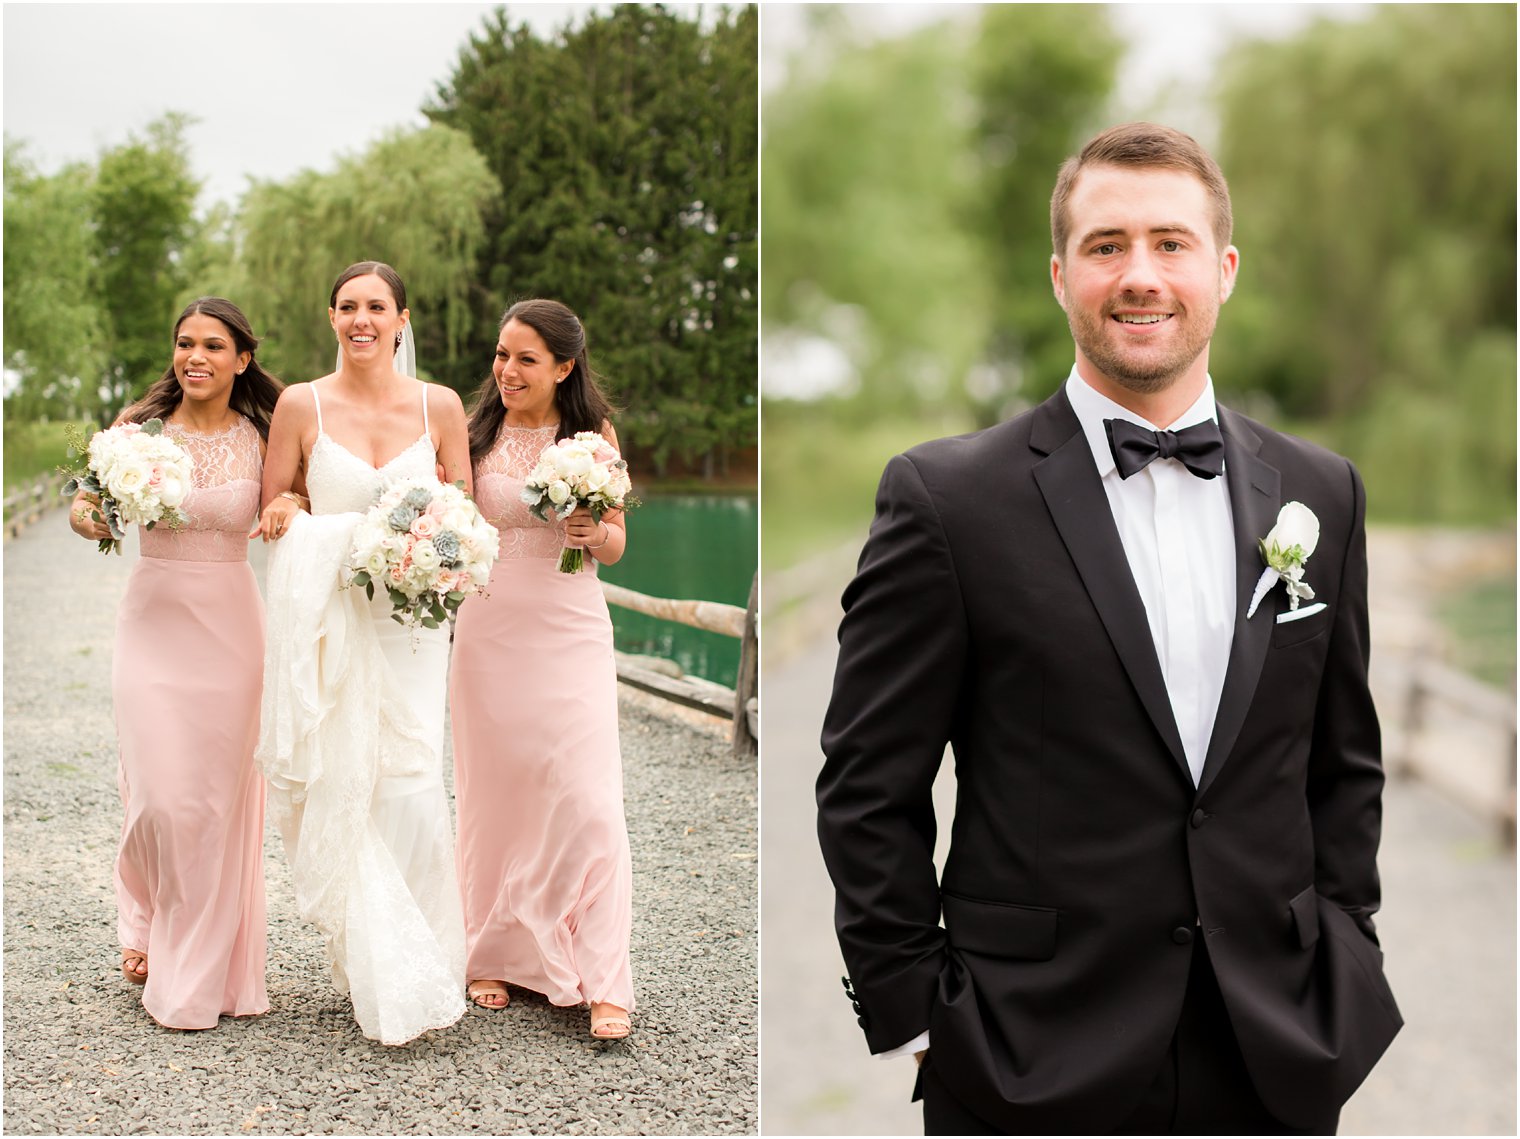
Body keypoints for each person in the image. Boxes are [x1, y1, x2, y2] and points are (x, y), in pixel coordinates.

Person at [816, 122, 1402, 1134]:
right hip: (1024, 1053)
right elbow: (868, 782)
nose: (1140, 274)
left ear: (1220, 269)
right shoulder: (944, 500)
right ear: (1059, 275)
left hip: (1270, 1048)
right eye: (1105, 245)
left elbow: (1340, 760)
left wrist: (1344, 951)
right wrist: (911, 1013)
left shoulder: (1320, 492)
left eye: (1169, 243)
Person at [253, 260, 472, 1045]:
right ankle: (372, 962)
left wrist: (433, 555)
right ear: (332, 316)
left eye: (377, 306)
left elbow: (463, 514)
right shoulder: (299, 403)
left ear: (402, 318)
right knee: (348, 776)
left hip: (412, 625)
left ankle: (430, 955)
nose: (361, 318)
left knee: (411, 783)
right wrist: (286, 508)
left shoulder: (440, 405)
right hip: (333, 618)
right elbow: (278, 500)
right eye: (348, 306)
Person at [69, 297, 282, 1029]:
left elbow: (303, 503)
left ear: (241, 359)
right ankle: (146, 911)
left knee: (212, 805)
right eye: (185, 343)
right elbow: (83, 504)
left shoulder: (265, 434)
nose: (196, 356)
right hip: (153, 623)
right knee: (158, 795)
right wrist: (89, 514)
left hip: (231, 627)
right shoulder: (135, 429)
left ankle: (194, 960)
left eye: (213, 345)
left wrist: (289, 511)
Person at [449, 298, 635, 1039]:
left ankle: (603, 976)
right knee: (497, 793)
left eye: (525, 358)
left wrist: (595, 530)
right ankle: (490, 950)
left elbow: (619, 542)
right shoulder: (474, 435)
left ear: (564, 366)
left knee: (587, 797)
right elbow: (450, 524)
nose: (507, 370)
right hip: (491, 627)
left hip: (569, 624)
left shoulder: (592, 439)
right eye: (501, 355)